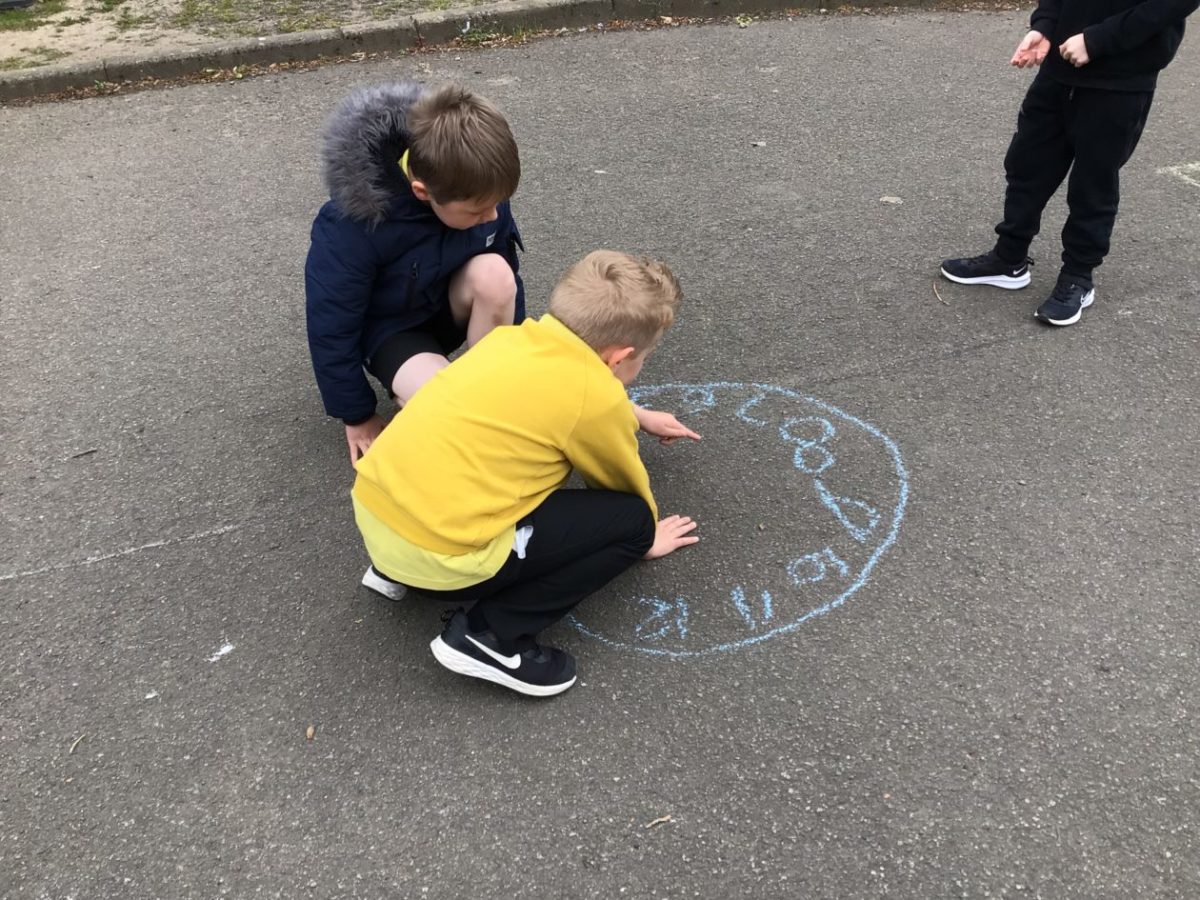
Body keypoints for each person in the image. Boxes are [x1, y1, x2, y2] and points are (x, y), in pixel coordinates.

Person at [351, 251, 701, 697]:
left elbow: (543, 393)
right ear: (621, 357)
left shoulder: (508, 341)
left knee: (459, 460)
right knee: (630, 522)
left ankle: (392, 572)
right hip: (444, 556)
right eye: (643, 359)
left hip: (377, 515)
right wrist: (646, 538)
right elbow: (618, 481)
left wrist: (634, 415)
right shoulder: (596, 398)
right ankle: (491, 635)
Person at [305, 81, 525, 464]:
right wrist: (356, 414)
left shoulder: (478, 190)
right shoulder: (354, 223)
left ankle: (489, 384)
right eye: (477, 212)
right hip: (393, 331)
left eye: (497, 204)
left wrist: (519, 362)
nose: (491, 216)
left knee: (497, 272)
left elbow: (508, 278)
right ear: (423, 192)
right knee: (446, 409)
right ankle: (420, 388)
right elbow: (331, 323)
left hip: (446, 305)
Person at [940, 0, 1198, 326]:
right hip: (1059, 68)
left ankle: (1078, 276)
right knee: (1027, 164)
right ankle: (1009, 259)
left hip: (1120, 79)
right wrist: (1044, 26)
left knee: (1093, 183)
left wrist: (1097, 40)